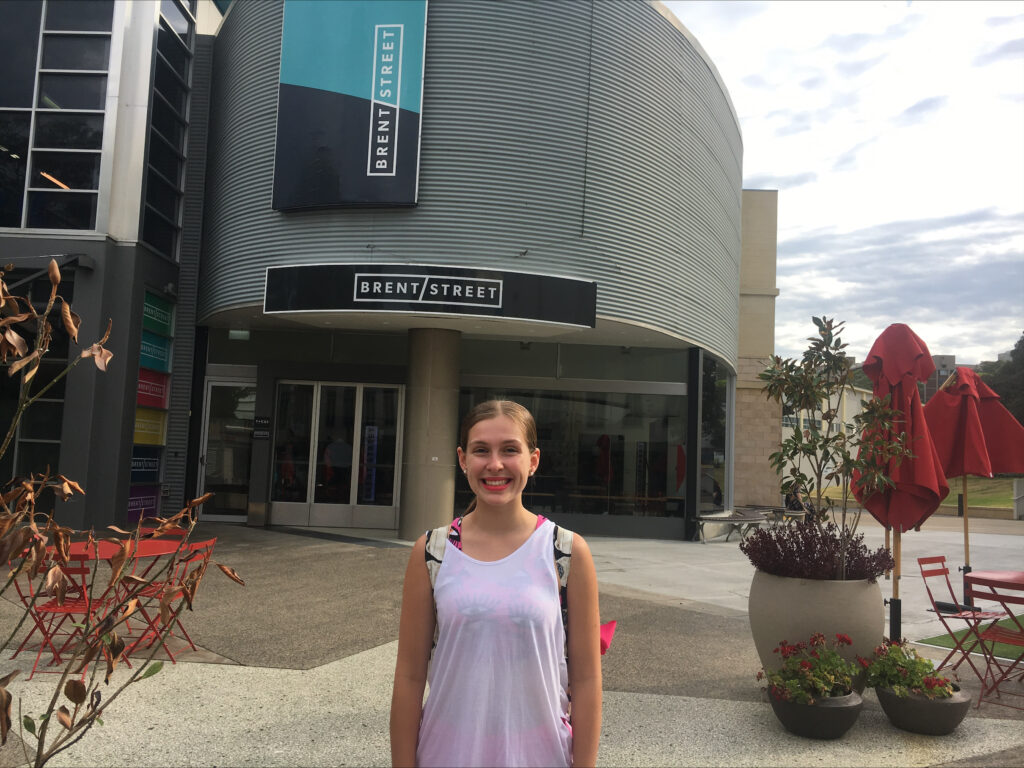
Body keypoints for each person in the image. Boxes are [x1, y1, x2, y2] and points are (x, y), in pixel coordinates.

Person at [390, 400, 602, 768]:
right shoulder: (433, 551)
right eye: (481, 451)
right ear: (462, 459)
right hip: (446, 753)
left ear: (533, 460)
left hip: (540, 755)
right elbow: (409, 675)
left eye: (510, 450)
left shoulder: (565, 552)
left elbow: (586, 680)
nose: (495, 464)